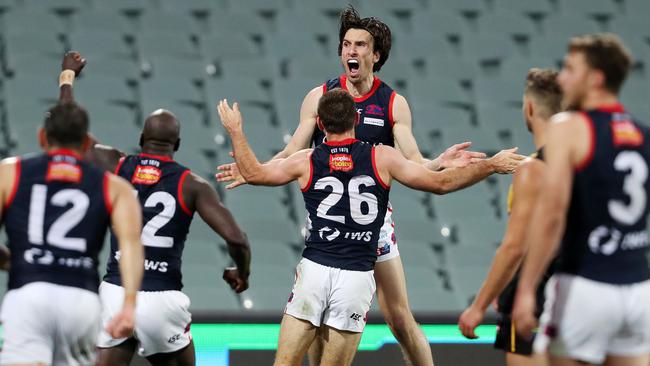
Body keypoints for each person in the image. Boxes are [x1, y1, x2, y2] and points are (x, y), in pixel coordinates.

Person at [216, 7, 525, 365]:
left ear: (375, 55)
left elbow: (414, 160)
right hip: (328, 223)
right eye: (346, 44)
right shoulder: (321, 97)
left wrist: (437, 162)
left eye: (360, 45)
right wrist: (255, 169)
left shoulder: (393, 103)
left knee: (398, 316)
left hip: (374, 224)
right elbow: (292, 150)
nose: (351, 51)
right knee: (317, 318)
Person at [55, 52, 252, 366]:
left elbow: (68, 130)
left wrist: (67, 76)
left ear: (142, 138)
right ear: (177, 145)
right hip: (161, 298)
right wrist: (241, 273)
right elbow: (237, 239)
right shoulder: (191, 184)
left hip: (116, 291)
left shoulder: (115, 164)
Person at [512, 34, 650, 366]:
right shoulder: (642, 133)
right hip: (639, 287)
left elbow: (553, 213)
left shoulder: (568, 127)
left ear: (596, 78)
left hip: (585, 286)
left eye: (570, 68)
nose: (562, 77)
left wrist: (527, 288)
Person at [0, 68, 145, 364]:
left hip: (28, 293)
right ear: (86, 142)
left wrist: (8, 259)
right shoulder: (115, 187)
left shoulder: (9, 173)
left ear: (42, 136)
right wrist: (129, 305)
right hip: (81, 300)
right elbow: (130, 245)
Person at [458, 68, 562, 366]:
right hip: (584, 293)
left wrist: (478, 306)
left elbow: (515, 246)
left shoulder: (534, 171)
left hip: (534, 296)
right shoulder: (585, 164)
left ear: (529, 108)